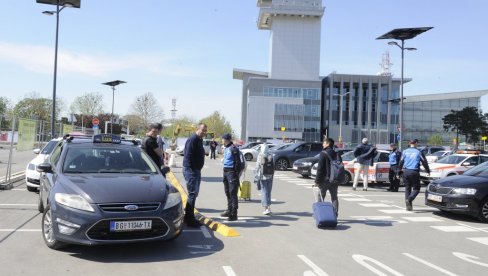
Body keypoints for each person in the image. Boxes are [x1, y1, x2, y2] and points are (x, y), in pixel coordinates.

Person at [182, 123, 208, 227]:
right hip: (191, 170)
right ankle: (189, 219)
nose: (204, 132)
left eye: (205, 131)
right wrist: (193, 169)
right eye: (203, 130)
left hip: (196, 170)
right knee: (192, 193)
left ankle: (188, 215)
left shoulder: (199, 140)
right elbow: (188, 155)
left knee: (194, 194)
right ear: (198, 129)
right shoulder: (192, 139)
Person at [398, 139, 431, 211]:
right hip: (414, 171)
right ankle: (409, 199)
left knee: (407, 188)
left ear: (409, 144)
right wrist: (428, 171)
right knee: (416, 188)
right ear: (415, 143)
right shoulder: (418, 152)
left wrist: (398, 172)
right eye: (417, 143)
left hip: (406, 171)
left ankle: (408, 206)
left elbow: (401, 162)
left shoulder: (405, 151)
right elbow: (424, 162)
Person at [315, 138, 340, 216]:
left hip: (324, 180)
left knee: (321, 197)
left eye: (324, 143)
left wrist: (317, 181)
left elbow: (320, 169)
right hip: (334, 179)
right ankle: (335, 214)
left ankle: (320, 214)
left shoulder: (323, 153)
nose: (323, 144)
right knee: (334, 197)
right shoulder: (336, 154)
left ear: (328, 144)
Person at [220, 133, 242, 221]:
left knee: (233, 193)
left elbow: (238, 163)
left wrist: (235, 174)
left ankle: (234, 213)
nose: (222, 140)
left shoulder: (234, 148)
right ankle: (229, 210)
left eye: (223, 139)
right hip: (225, 172)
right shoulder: (226, 148)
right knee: (227, 192)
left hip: (231, 173)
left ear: (226, 139)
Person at [255, 143, 275, 215]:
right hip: (270, 176)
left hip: (262, 176)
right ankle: (269, 208)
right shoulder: (271, 155)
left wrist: (256, 177)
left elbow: (257, 167)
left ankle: (266, 208)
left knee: (264, 192)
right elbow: (273, 166)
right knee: (268, 192)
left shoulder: (260, 155)